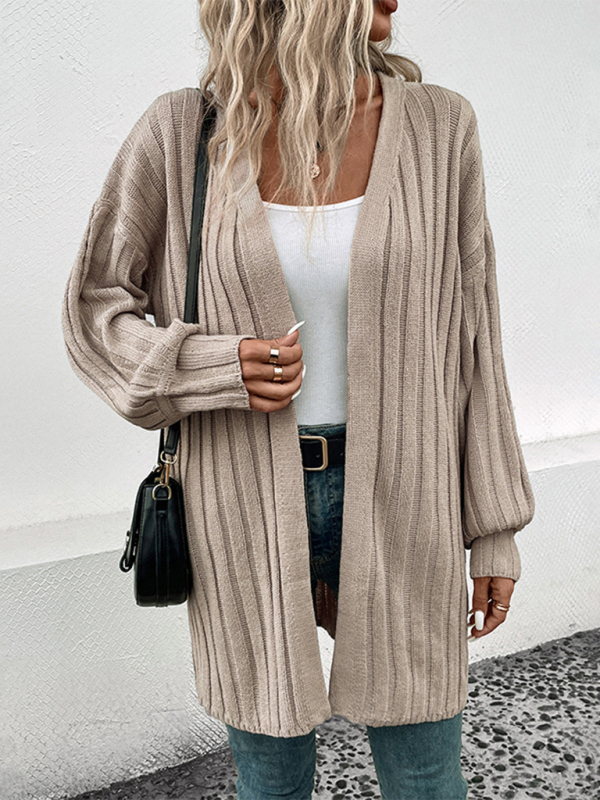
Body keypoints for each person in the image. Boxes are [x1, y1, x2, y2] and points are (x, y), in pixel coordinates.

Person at [61, 1, 536, 797]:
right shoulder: (182, 134)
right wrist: (207, 368)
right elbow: (94, 308)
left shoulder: (439, 127)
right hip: (241, 503)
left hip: (406, 498)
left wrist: (494, 530)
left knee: (426, 774)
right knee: (271, 781)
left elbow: (474, 339)